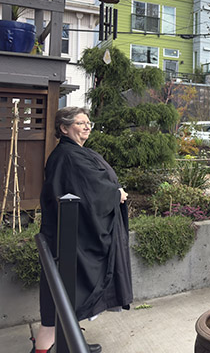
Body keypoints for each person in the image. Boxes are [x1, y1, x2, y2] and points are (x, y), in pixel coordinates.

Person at [31, 107, 132, 353]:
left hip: (71, 234)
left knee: (64, 294)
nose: (87, 127)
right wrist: (115, 193)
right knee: (65, 291)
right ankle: (54, 345)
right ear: (64, 128)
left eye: (89, 123)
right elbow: (91, 190)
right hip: (71, 238)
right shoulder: (68, 156)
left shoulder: (72, 153)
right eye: (80, 123)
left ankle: (60, 341)